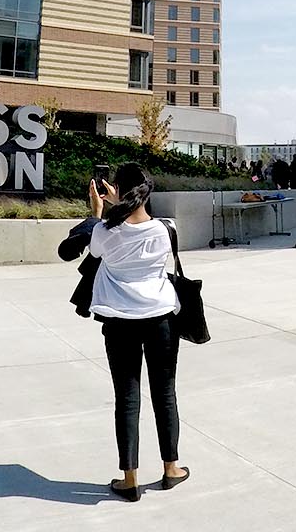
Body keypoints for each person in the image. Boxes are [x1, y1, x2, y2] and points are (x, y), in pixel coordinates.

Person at [87, 164, 190, 501]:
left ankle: (129, 478)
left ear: (116, 189)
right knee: (165, 394)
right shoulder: (165, 230)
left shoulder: (105, 231)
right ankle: (170, 468)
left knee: (127, 399)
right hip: (160, 317)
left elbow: (96, 254)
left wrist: (101, 212)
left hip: (118, 321)